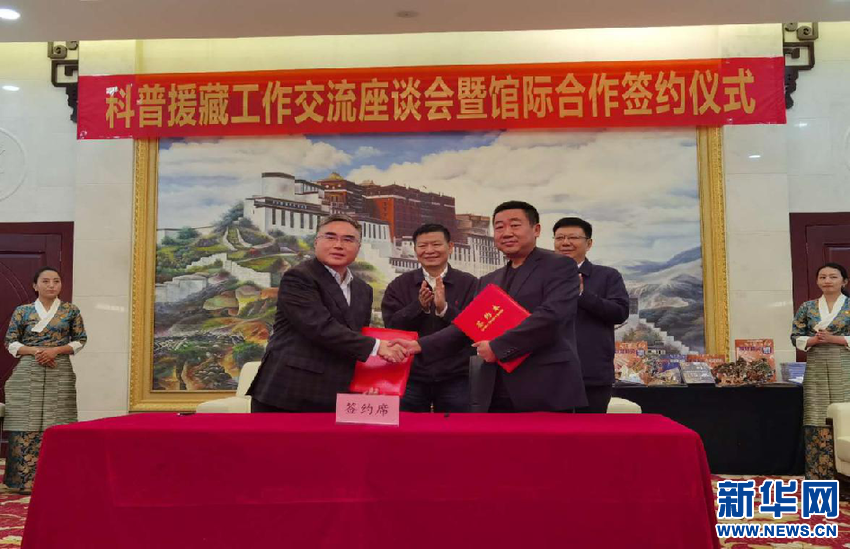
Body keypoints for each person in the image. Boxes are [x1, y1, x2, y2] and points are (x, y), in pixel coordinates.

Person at [393, 201, 587, 412]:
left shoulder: (559, 266)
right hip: (496, 388)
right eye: (499, 227)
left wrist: (497, 347)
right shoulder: (489, 280)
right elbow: (468, 326)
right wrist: (419, 345)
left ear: (536, 229)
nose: (507, 232)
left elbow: (552, 317)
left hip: (545, 385)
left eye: (515, 225)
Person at [248, 214, 406, 412]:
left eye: (348, 239)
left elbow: (354, 337)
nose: (338, 245)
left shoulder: (363, 289)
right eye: (330, 237)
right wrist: (377, 346)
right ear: (316, 242)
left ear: (358, 247)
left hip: (336, 395)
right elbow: (319, 326)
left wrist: (364, 385)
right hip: (288, 393)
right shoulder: (298, 277)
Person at [3, 266, 87, 494]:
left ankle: (57, 477)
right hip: (28, 369)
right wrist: (37, 352)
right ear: (35, 285)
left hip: (59, 368)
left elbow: (80, 340)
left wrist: (55, 351)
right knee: (24, 421)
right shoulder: (22, 311)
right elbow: (10, 342)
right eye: (46, 281)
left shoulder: (70, 310)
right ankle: (23, 481)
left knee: (58, 419)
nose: (51, 285)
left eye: (56, 281)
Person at [381, 223, 477, 412]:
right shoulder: (399, 285)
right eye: (423, 246)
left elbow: (474, 328)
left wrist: (445, 309)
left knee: (457, 427)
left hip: (457, 376)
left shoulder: (470, 283)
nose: (429, 251)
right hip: (411, 374)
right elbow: (391, 326)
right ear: (415, 249)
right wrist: (419, 307)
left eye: (436, 244)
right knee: (408, 427)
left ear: (450, 247)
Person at [553, 217, 629, 413]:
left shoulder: (607, 276)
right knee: (550, 429)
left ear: (589, 244)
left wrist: (582, 295)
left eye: (573, 237)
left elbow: (620, 313)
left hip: (591, 372)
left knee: (590, 429)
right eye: (560, 238)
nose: (565, 243)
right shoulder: (543, 276)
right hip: (549, 373)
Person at [791, 262, 850, 479]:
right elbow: (795, 336)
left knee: (846, 414)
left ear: (844, 281)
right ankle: (819, 475)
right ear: (817, 281)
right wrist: (813, 340)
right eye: (822, 277)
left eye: (833, 277)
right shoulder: (807, 307)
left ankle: (845, 475)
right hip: (816, 365)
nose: (827, 281)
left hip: (845, 364)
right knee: (816, 416)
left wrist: (835, 339)